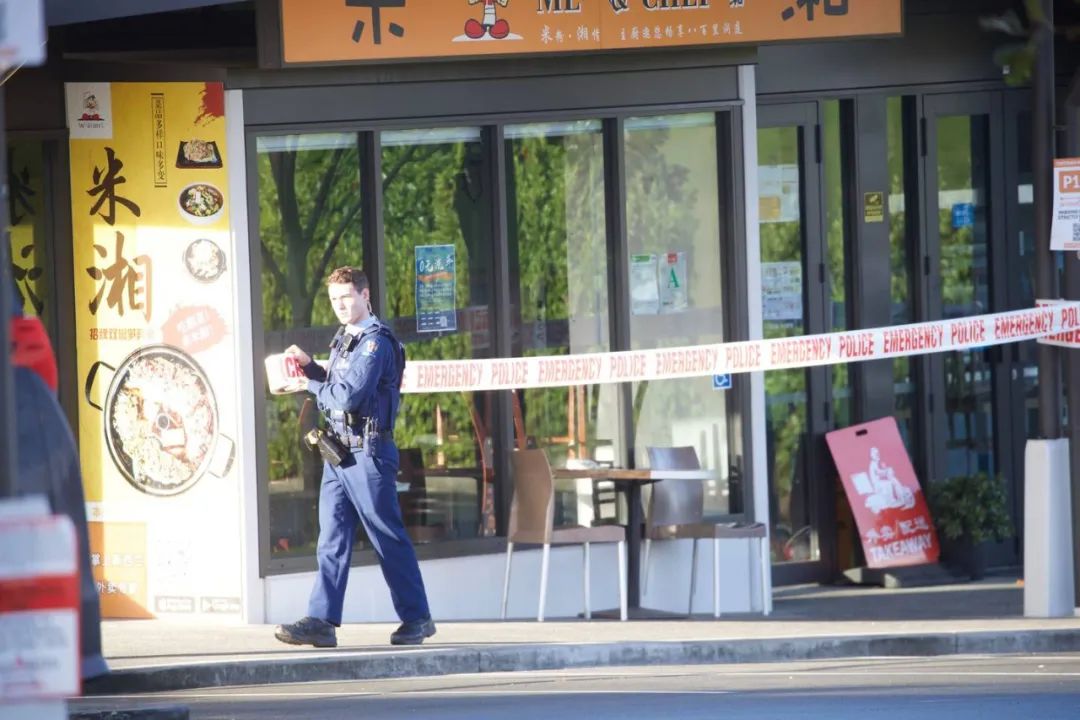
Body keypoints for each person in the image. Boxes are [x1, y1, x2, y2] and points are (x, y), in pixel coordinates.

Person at [274, 267, 435, 648]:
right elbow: (336, 385)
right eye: (334, 300)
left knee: (385, 536)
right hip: (338, 451)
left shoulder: (376, 343)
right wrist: (309, 365)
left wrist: (306, 384)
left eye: (347, 297)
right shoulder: (346, 338)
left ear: (365, 295)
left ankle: (418, 618)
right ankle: (321, 620)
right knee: (331, 537)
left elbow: (348, 397)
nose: (341, 306)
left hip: (369, 452)